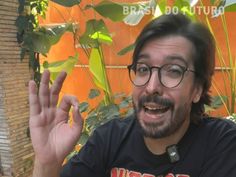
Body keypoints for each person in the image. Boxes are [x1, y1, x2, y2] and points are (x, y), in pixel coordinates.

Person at [29, 13, 236, 177]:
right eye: (144, 69)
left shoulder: (222, 144)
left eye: (173, 70)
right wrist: (47, 164)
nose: (152, 86)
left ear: (197, 89)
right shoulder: (110, 139)